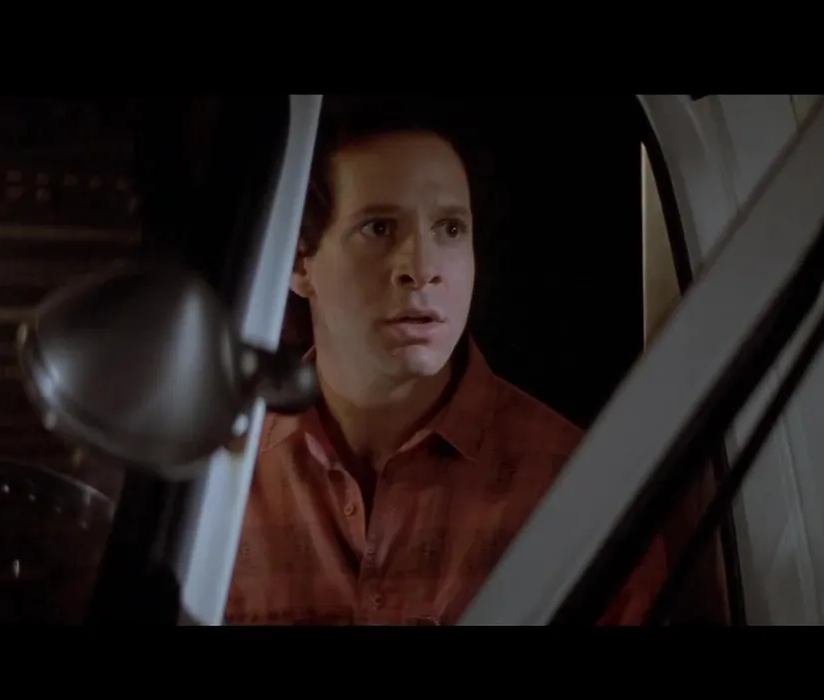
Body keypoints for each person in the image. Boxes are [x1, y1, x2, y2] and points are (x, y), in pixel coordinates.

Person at [223, 98, 727, 625]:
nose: (422, 268)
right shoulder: (224, 474)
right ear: (299, 263)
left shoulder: (575, 488)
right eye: (379, 228)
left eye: (449, 229)